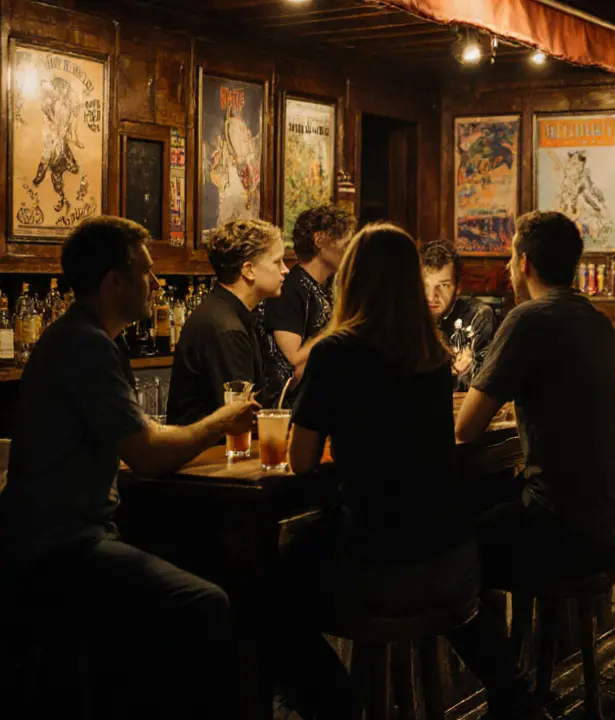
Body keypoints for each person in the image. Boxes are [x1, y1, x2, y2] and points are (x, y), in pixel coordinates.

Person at [268, 222, 546, 720]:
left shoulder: (335, 353)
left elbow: (301, 460)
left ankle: (338, 705)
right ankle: (513, 693)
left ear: (351, 278)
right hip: (456, 566)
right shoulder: (434, 357)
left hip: (377, 567)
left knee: (264, 593)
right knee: (422, 544)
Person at [0, 216, 258, 720]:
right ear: (114, 281)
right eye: (147, 271)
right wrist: (221, 422)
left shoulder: (90, 337)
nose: (158, 283)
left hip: (67, 534)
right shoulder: (85, 344)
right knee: (206, 603)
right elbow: (147, 454)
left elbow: (138, 437)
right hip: (54, 548)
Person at [455, 211, 615, 589]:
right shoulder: (599, 321)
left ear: (524, 263)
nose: (507, 267)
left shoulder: (528, 319)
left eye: (509, 258)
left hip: (565, 527)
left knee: (445, 549)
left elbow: (466, 428)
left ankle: (495, 650)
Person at [167, 218, 286, 426]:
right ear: (248, 270)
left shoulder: (227, 313)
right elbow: (242, 416)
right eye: (277, 262)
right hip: (210, 455)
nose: (285, 270)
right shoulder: (226, 328)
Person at [259, 204, 354, 407]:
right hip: (292, 411)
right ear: (319, 240)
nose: (350, 250)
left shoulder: (329, 286)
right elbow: (294, 359)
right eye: (346, 243)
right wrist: (338, 324)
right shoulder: (290, 288)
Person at [421, 239, 497, 391]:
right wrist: (455, 372)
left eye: (443, 285)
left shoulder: (479, 316)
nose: (431, 296)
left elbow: (481, 382)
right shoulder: (407, 317)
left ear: (458, 288)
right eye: (425, 285)